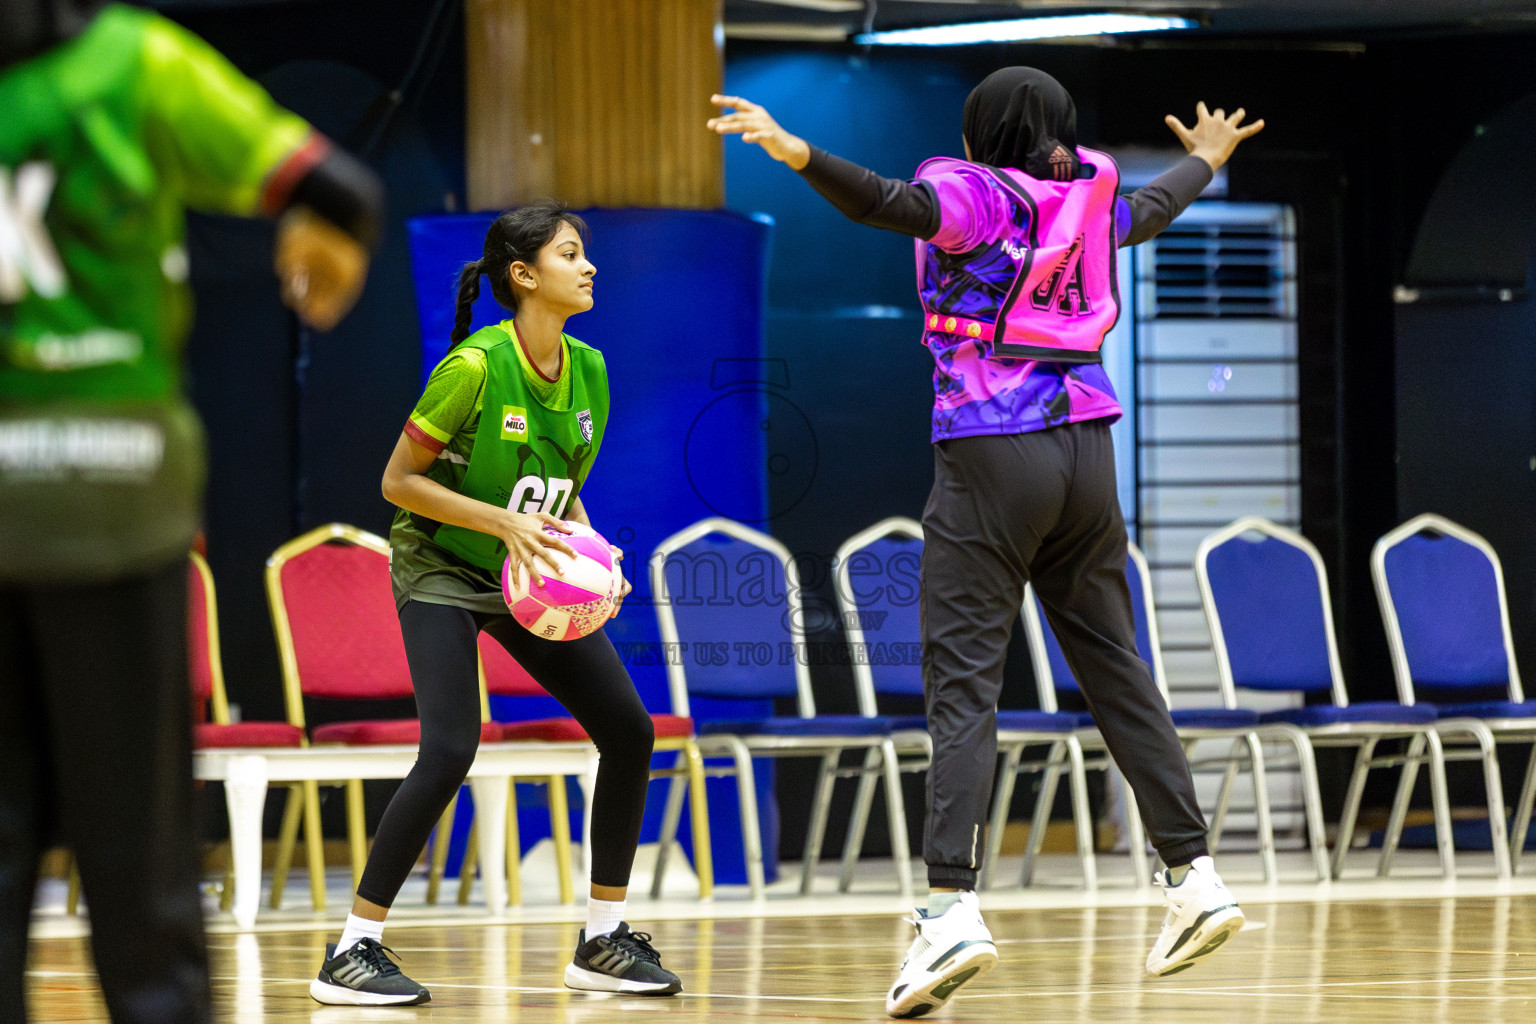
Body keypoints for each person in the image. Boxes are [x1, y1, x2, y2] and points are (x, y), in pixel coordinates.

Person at [709, 67, 1263, 1018]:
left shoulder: (974, 194)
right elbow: (1152, 209)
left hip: (994, 452)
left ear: (978, 133)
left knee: (964, 681)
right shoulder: (1087, 197)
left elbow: (888, 202)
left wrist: (798, 153)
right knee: (1117, 666)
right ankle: (1194, 876)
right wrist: (1205, 159)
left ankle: (950, 908)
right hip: (1088, 452)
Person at [0, 2, 382, 1022]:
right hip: (114, 500)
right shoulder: (136, 61)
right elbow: (340, 188)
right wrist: (327, 241)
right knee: (142, 859)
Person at [309, 201, 681, 1006]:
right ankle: (352, 949)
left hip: (525, 572)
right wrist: (502, 524)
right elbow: (397, 483)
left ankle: (603, 939)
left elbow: (562, 493)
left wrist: (592, 557)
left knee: (629, 729)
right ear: (523, 275)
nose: (588, 266)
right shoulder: (474, 368)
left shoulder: (590, 370)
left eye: (584, 253)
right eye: (570, 254)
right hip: (440, 566)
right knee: (450, 747)